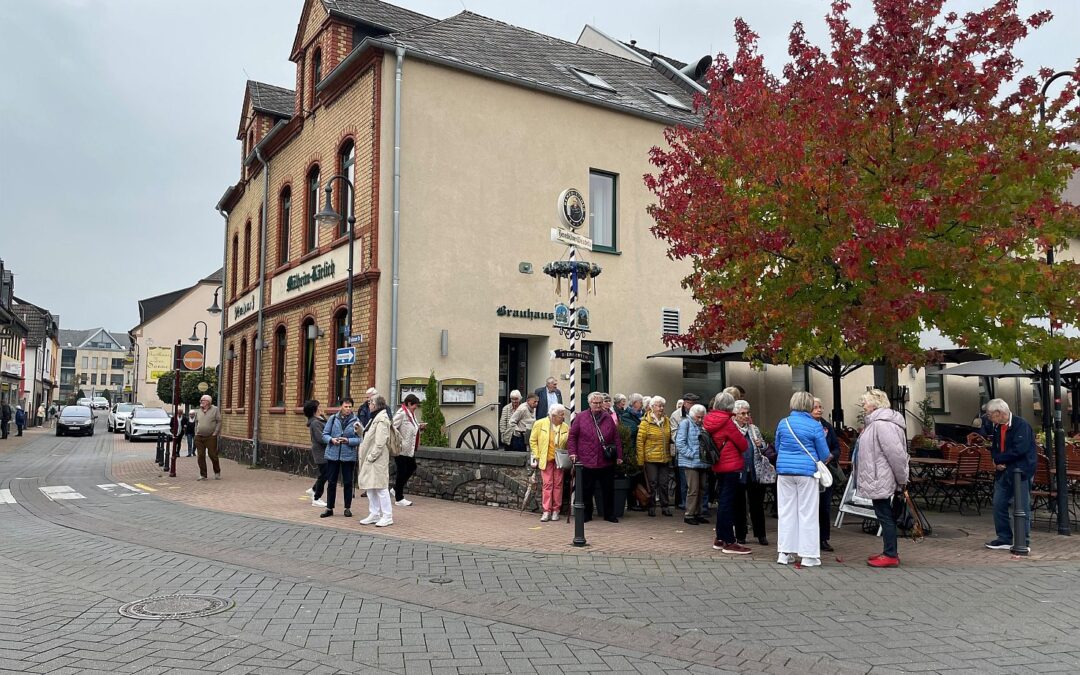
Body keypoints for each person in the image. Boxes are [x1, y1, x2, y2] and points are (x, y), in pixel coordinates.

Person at [774, 391, 832, 567]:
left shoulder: (783, 423)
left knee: (786, 511)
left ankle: (784, 553)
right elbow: (823, 453)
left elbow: (777, 446)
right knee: (808, 513)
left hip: (784, 471)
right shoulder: (814, 425)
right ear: (808, 405)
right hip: (806, 471)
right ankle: (808, 555)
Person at [855, 389, 910, 568]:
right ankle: (889, 550)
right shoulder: (879, 423)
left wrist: (902, 480)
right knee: (885, 514)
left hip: (881, 477)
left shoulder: (881, 424)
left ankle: (890, 554)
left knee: (885, 515)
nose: (863, 406)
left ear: (875, 404)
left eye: (865, 402)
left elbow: (896, 454)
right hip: (880, 476)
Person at [984, 398, 1037, 551]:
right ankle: (1004, 538)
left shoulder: (1021, 426)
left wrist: (1000, 459)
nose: (988, 418)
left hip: (1020, 472)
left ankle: (1023, 540)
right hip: (1003, 472)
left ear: (999, 413)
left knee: (1022, 507)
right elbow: (995, 447)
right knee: (998, 504)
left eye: (989, 414)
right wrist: (996, 459)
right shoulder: (997, 427)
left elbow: (1020, 449)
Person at [704, 392, 750, 554]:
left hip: (718, 464)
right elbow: (743, 445)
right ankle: (729, 541)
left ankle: (720, 538)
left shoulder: (709, 419)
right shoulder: (727, 423)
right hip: (731, 466)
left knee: (723, 502)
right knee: (727, 504)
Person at [567, 391, 623, 523]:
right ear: (589, 403)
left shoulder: (608, 417)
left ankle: (609, 514)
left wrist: (619, 455)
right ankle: (587, 515)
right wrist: (572, 453)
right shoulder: (581, 417)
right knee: (587, 490)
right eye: (595, 403)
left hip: (605, 460)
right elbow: (572, 436)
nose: (598, 405)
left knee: (608, 490)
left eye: (600, 402)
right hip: (586, 460)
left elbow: (616, 437)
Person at [733, 400, 771, 546]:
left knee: (757, 504)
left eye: (748, 413)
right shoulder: (732, 429)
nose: (746, 416)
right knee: (740, 504)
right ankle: (741, 535)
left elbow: (763, 447)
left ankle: (761, 534)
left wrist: (761, 445)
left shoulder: (754, 429)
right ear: (735, 415)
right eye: (743, 413)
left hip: (755, 471)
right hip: (739, 471)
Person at [320, 397, 361, 518]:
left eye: (350, 407)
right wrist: (331, 440)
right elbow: (325, 435)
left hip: (348, 456)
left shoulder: (356, 421)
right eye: (345, 406)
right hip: (333, 455)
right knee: (331, 482)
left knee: (348, 482)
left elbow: (360, 439)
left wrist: (348, 440)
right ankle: (329, 508)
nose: (348, 409)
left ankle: (347, 508)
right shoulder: (333, 419)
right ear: (341, 407)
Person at [357, 396, 394, 527]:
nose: (369, 404)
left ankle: (387, 515)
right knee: (371, 487)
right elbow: (369, 436)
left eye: (371, 402)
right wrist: (361, 431)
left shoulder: (382, 419)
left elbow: (380, 442)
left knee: (381, 488)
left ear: (377, 405)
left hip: (376, 459)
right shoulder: (374, 418)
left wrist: (371, 457)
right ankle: (374, 514)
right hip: (371, 458)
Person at [529, 402, 569, 521]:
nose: (563, 417)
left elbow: (568, 443)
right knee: (547, 485)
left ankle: (556, 510)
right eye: (561, 415)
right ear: (553, 415)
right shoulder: (540, 424)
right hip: (545, 459)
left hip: (559, 460)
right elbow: (533, 441)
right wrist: (537, 455)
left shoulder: (565, 427)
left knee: (558, 485)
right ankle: (546, 511)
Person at [812, 397, 840, 552]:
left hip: (825, 471)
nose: (819, 410)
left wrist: (831, 455)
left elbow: (836, 448)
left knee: (824, 507)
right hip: (810, 470)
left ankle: (823, 539)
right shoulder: (807, 426)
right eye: (815, 407)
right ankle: (811, 538)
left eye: (820, 407)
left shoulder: (827, 426)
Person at [638, 396, 673, 517]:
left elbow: (671, 437)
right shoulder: (645, 422)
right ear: (652, 407)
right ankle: (651, 506)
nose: (661, 408)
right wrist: (640, 460)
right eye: (659, 405)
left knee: (664, 483)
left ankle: (665, 506)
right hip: (650, 458)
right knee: (652, 483)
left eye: (662, 406)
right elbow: (640, 442)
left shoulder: (667, 420)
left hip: (664, 457)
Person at [675, 404, 710, 525]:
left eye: (702, 417)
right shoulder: (686, 423)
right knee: (693, 489)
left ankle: (698, 513)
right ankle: (689, 514)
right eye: (698, 417)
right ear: (692, 415)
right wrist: (691, 454)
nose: (700, 420)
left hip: (702, 462)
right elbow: (680, 442)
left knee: (702, 488)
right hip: (690, 462)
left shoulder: (703, 426)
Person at [392, 393, 423, 506]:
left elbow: (413, 427)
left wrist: (419, 427)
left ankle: (396, 489)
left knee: (411, 467)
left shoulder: (411, 414)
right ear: (409, 404)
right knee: (402, 471)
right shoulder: (401, 414)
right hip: (401, 448)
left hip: (409, 449)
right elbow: (392, 427)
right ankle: (399, 498)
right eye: (415, 405)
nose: (416, 407)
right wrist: (398, 440)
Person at [669, 393, 700, 509]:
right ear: (685, 403)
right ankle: (685, 505)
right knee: (685, 481)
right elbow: (674, 435)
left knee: (700, 484)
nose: (693, 405)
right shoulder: (676, 416)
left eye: (695, 403)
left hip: (698, 453)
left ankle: (699, 507)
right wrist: (688, 444)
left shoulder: (700, 413)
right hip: (683, 453)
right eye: (691, 403)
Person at [304, 400, 330, 508]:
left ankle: (313, 490)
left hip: (325, 452)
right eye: (319, 407)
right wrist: (332, 439)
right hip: (320, 452)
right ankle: (316, 498)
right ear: (314, 410)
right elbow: (320, 438)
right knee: (324, 475)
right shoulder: (315, 423)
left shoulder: (321, 419)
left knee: (324, 474)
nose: (321, 408)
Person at [194, 394, 222, 480]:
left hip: (210, 436)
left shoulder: (215, 409)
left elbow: (219, 421)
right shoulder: (198, 411)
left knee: (212, 455)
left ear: (208, 402)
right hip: (199, 437)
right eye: (201, 400)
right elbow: (196, 422)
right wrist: (196, 432)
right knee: (200, 455)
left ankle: (217, 472)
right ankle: (203, 475)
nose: (201, 402)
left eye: (203, 400)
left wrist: (215, 432)